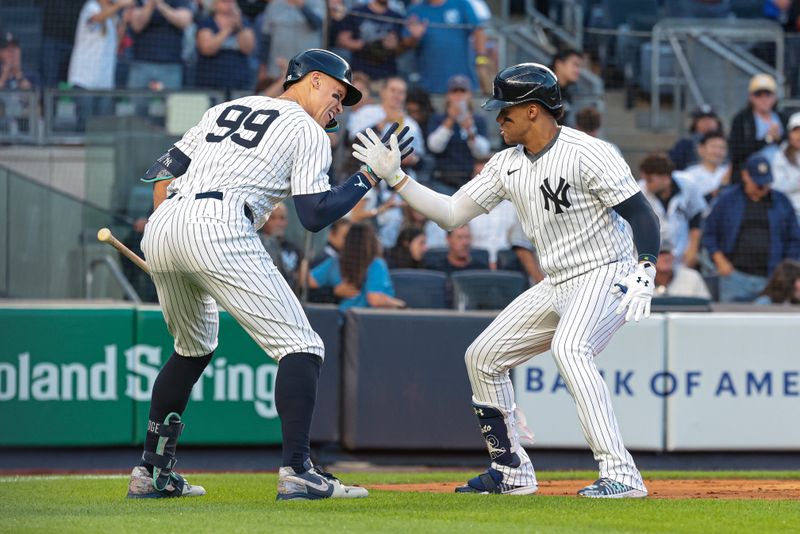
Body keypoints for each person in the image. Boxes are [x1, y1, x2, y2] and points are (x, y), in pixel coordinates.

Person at [352, 62, 660, 497]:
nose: (498, 118)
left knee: (570, 349)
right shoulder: (505, 164)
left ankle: (621, 474)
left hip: (607, 271)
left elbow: (641, 214)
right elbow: (451, 214)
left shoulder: (588, 151)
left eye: (507, 110)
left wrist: (646, 266)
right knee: (482, 356)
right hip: (557, 280)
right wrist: (397, 179)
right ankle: (511, 470)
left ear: (533, 110)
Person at [125, 49, 413, 501]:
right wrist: (367, 178)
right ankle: (297, 469)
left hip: (166, 221)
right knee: (302, 346)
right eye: (338, 93)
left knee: (192, 348)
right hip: (220, 224)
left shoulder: (226, 108)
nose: (339, 106)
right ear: (313, 80)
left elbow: (163, 173)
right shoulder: (306, 128)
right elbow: (315, 215)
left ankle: (152, 472)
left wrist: (170, 234)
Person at [702, 153, 800, 302]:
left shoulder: (782, 202)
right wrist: (719, 259)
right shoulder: (727, 200)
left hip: (772, 280)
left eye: (766, 183)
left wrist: (785, 271)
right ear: (745, 176)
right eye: (758, 183)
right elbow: (709, 233)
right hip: (734, 277)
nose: (762, 188)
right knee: (732, 323)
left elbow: (794, 239)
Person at [309, 222, 406, 309]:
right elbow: (375, 299)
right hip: (366, 323)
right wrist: (400, 304)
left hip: (340, 319)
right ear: (372, 241)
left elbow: (308, 281)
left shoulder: (335, 262)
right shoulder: (376, 264)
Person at [401, 0, 487, 95]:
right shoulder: (415, 10)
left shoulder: (461, 4)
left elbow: (478, 31)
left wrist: (481, 60)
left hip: (462, 82)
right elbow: (405, 43)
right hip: (430, 84)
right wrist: (414, 37)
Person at [68, 0, 130, 130]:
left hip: (105, 81)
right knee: (84, 127)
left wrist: (124, 20)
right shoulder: (91, 6)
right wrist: (119, 5)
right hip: (85, 79)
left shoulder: (112, 16)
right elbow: (96, 18)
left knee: (103, 128)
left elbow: (116, 44)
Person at [638, 153, 706, 267]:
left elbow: (696, 217)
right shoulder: (639, 191)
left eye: (650, 180)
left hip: (681, 255)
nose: (646, 184)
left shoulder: (688, 184)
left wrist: (692, 249)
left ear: (665, 178)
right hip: (649, 259)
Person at [427, 75, 491, 194]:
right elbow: (434, 146)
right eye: (454, 91)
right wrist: (450, 119)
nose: (458, 95)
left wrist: (470, 131)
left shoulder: (478, 120)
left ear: (469, 95)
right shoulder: (438, 119)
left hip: (470, 181)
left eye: (462, 91)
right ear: (448, 96)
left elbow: (482, 152)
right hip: (443, 180)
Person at [728, 73, 788, 184]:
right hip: (752, 177)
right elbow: (737, 152)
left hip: (782, 175)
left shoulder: (783, 118)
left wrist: (779, 138)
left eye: (768, 94)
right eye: (758, 95)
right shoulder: (741, 120)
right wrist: (767, 139)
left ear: (775, 97)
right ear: (751, 97)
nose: (764, 99)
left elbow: (791, 146)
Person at [127, 0, 194, 90]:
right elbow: (136, 25)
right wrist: (150, 4)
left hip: (170, 65)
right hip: (141, 63)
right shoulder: (140, 2)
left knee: (170, 103)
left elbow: (184, 22)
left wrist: (160, 4)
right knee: (137, 103)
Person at [336, 0, 404, 81]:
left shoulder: (397, 17)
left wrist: (394, 45)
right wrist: (366, 45)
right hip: (360, 73)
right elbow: (342, 40)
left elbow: (402, 49)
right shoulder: (357, 12)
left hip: (387, 74)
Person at [195, 0, 256, 90]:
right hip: (210, 79)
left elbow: (249, 49)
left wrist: (239, 26)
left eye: (231, 1)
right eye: (224, 1)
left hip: (239, 81)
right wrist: (228, 29)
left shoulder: (244, 22)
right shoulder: (207, 22)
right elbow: (206, 49)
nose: (229, 4)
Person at [259, 0, 324, 80]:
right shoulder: (274, 5)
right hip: (277, 70)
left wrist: (301, 5)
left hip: (307, 69)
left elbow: (318, 24)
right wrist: (263, 67)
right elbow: (266, 39)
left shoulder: (316, 2)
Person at [259, 203, 304, 289]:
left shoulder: (295, 250)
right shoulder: (256, 245)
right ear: (264, 221)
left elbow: (301, 283)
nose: (278, 223)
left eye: (282, 218)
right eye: (273, 218)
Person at [675, 130, 730, 202]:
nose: (717, 152)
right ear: (701, 149)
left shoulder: (729, 172)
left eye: (722, 148)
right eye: (713, 147)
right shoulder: (689, 174)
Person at [668, 105, 724, 171]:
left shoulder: (728, 142)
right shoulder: (685, 143)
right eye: (702, 119)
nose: (707, 123)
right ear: (695, 123)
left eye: (710, 119)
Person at [770, 111, 800, 220]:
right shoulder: (780, 156)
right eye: (796, 131)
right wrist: (797, 182)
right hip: (789, 212)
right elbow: (776, 186)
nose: (799, 136)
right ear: (789, 134)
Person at [423, 225, 489, 274]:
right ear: (448, 239)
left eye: (467, 237)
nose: (465, 242)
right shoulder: (435, 270)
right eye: (459, 238)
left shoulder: (481, 270)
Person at [550, 48, 582, 125]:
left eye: (579, 66)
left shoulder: (567, 92)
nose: (578, 71)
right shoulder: (542, 90)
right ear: (559, 64)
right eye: (575, 65)